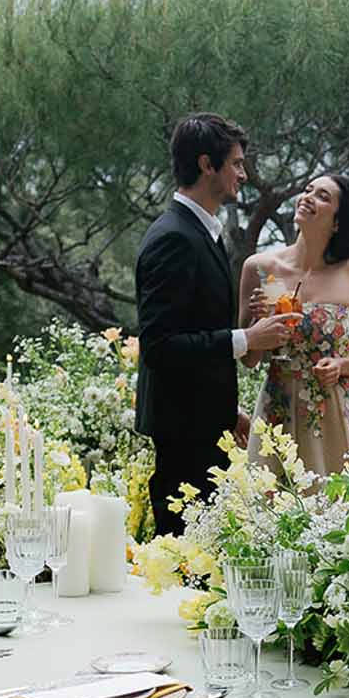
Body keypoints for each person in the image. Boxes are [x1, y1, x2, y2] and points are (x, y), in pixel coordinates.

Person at [135, 112, 300, 534]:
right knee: (181, 560)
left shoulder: (202, 231)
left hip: (204, 424)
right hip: (184, 433)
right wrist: (248, 338)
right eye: (237, 164)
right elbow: (160, 346)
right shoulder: (174, 237)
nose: (243, 174)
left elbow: (195, 331)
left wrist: (228, 411)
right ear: (207, 165)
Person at [237, 174, 349, 477]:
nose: (307, 197)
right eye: (307, 190)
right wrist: (259, 320)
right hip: (279, 405)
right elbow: (249, 359)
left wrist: (342, 365)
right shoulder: (261, 267)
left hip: (338, 407)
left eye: (322, 196)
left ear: (337, 222)